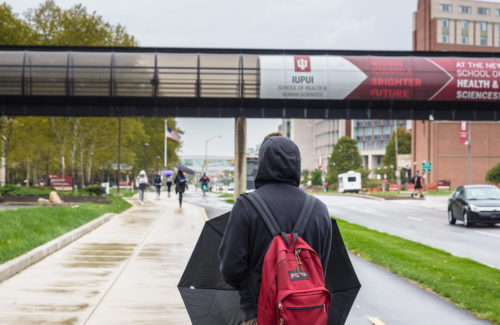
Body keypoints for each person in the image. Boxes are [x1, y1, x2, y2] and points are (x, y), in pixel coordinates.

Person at [219, 134, 332, 325]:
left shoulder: (246, 206)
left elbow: (230, 268)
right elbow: (322, 266)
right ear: (297, 164)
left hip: (259, 315)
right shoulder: (319, 210)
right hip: (307, 316)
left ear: (263, 163)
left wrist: (252, 290)